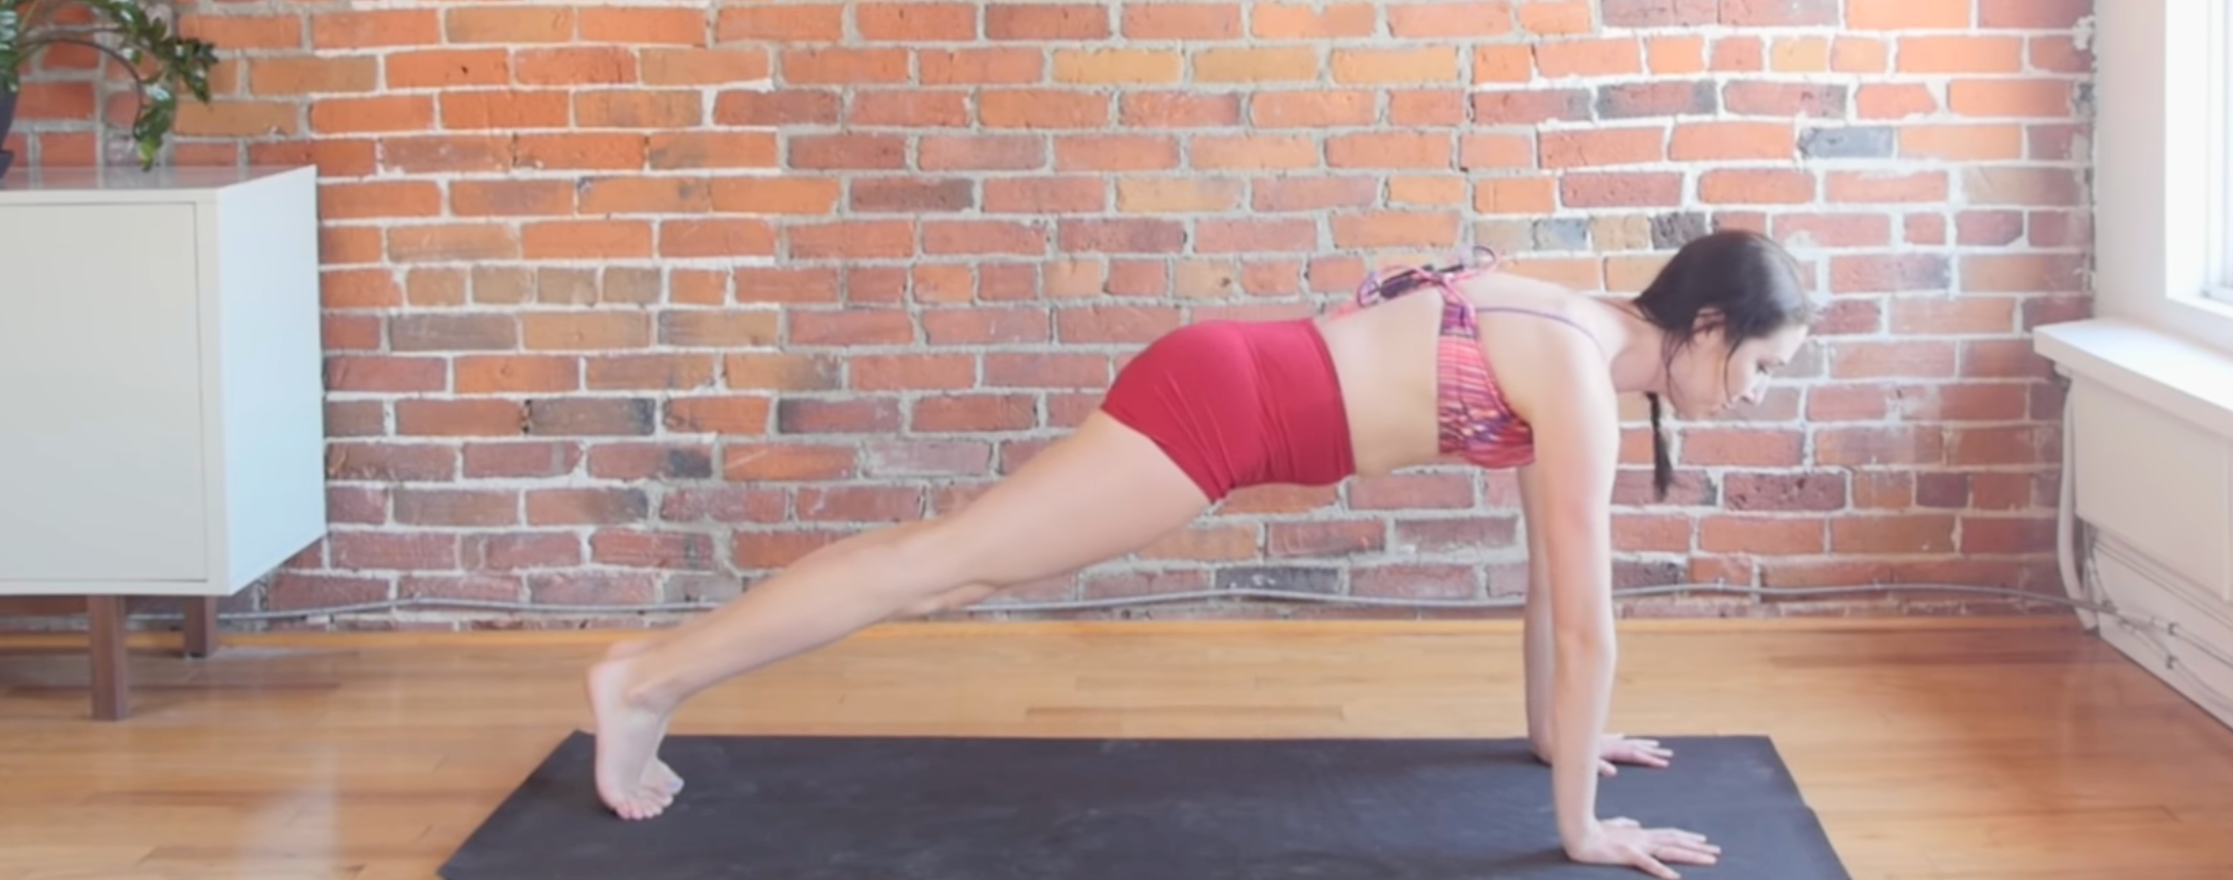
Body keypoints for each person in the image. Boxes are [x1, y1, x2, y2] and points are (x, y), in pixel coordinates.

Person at [584, 227, 1813, 878]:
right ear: (1710, 326)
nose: (1756, 393)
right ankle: (644, 681)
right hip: (1221, 411)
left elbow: (1552, 583)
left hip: (1228, 379)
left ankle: (651, 675)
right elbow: (1592, 622)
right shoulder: (1584, 380)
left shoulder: (1578, 336)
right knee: (945, 567)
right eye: (1760, 366)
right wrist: (1583, 828)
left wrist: (1559, 742)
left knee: (948, 564)